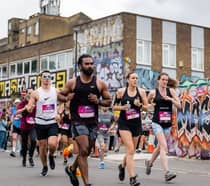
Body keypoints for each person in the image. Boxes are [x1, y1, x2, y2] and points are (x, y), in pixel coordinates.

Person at [59, 54, 111, 186]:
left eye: (91, 63)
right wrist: (66, 99)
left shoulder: (99, 83)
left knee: (85, 151)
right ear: (80, 66)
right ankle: (86, 183)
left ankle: (72, 169)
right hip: (77, 121)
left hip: (92, 122)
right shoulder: (73, 82)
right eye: (86, 64)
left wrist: (98, 101)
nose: (90, 66)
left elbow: (109, 101)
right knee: (84, 147)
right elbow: (59, 95)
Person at [144, 72, 181, 182]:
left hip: (167, 124)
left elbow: (179, 105)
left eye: (166, 80)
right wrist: (150, 105)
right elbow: (145, 106)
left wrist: (170, 99)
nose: (165, 82)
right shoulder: (153, 93)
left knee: (160, 147)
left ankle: (149, 162)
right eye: (163, 79)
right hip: (157, 123)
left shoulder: (171, 91)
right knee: (164, 146)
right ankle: (166, 173)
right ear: (158, 81)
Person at [113, 71, 148, 186]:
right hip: (124, 124)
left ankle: (122, 166)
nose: (135, 80)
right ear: (127, 80)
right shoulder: (121, 92)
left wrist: (140, 106)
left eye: (137, 78)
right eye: (133, 78)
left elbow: (147, 108)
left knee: (130, 151)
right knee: (131, 150)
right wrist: (122, 107)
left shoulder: (142, 92)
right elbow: (113, 106)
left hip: (136, 124)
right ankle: (132, 177)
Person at [26, 70, 61, 176]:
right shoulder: (35, 93)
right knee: (42, 146)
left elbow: (63, 102)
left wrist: (59, 113)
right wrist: (30, 108)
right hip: (40, 122)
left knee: (52, 144)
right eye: (44, 76)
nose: (46, 79)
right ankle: (45, 166)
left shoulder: (56, 91)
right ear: (41, 78)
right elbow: (29, 107)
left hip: (52, 121)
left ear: (51, 79)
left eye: (49, 77)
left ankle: (51, 155)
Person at [16, 89, 37, 167]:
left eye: (32, 93)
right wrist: (24, 108)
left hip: (33, 125)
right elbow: (17, 112)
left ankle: (30, 157)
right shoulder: (23, 102)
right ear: (27, 94)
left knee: (33, 140)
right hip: (24, 125)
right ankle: (24, 158)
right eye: (29, 93)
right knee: (24, 143)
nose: (30, 94)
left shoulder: (36, 102)